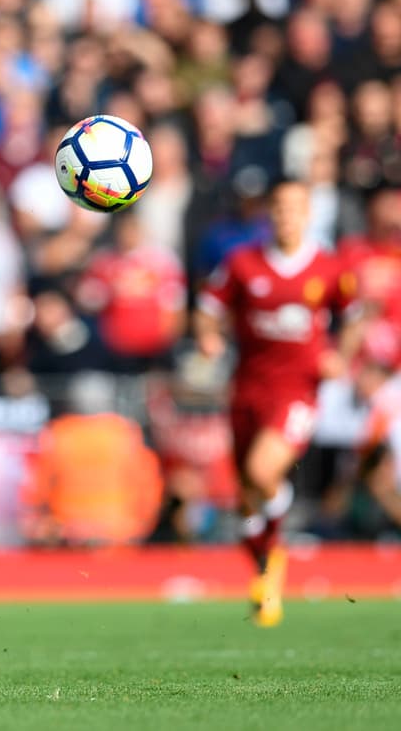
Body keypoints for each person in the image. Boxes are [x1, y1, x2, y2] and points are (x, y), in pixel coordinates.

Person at [195, 179, 356, 627]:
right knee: (245, 501)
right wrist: (208, 337)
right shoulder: (243, 264)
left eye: (295, 208)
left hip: (298, 391)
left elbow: (355, 314)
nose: (287, 216)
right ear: (270, 213)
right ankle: (267, 566)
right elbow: (208, 307)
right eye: (279, 208)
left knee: (262, 473)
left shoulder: (327, 268)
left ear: (309, 214)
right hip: (247, 388)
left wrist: (338, 357)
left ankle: (274, 545)